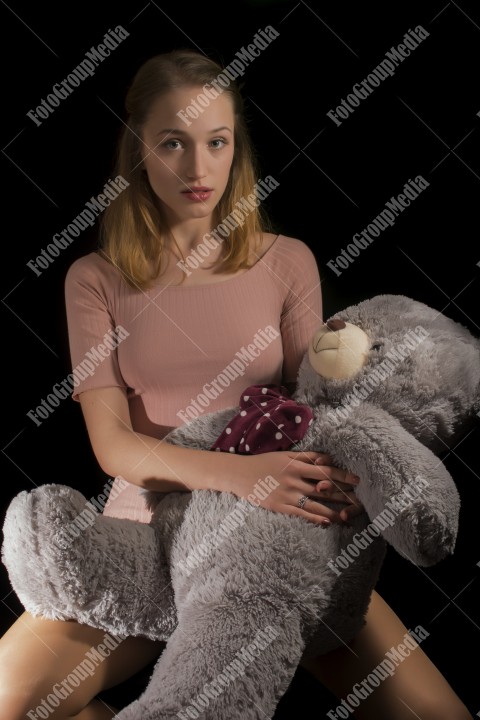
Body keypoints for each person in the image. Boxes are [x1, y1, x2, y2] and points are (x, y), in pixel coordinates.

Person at [0, 49, 472, 720]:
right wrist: (234, 475)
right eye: (174, 144)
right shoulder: (95, 280)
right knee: (9, 700)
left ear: (235, 149)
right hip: (147, 544)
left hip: (273, 544)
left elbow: (322, 403)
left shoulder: (287, 263)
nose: (199, 169)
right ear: (139, 149)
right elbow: (112, 445)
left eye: (216, 143)